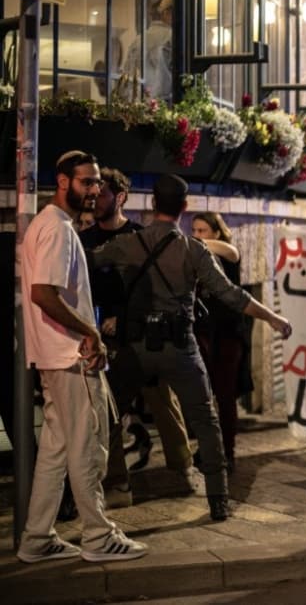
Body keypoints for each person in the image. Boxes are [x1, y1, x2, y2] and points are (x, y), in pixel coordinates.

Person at [89, 174, 293, 521]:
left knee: (106, 417)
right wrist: (272, 317)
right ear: (185, 207)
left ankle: (88, 491)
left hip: (137, 347)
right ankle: (218, 499)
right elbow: (231, 295)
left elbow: (86, 261)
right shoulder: (193, 249)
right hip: (180, 347)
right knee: (205, 420)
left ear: (153, 204)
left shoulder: (130, 244)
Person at [17, 150, 147, 563]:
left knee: (55, 451)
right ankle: (98, 536)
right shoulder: (58, 230)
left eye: (96, 183)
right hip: (71, 357)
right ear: (62, 182)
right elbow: (43, 293)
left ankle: (37, 537)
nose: (94, 190)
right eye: (85, 182)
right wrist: (89, 331)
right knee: (89, 448)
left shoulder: (49, 225)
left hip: (54, 357)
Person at [79, 167, 193, 505]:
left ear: (121, 197)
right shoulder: (84, 240)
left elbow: (153, 290)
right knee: (108, 409)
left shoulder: (142, 238)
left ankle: (182, 467)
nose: (96, 199)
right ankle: (117, 481)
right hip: (100, 338)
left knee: (163, 400)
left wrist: (122, 316)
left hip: (143, 334)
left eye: (103, 193)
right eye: (94, 191)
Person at [191, 211, 251, 472]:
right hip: (204, 332)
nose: (197, 235)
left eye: (202, 230)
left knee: (225, 395)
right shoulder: (194, 258)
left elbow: (230, 252)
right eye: (194, 230)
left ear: (216, 232)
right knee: (203, 396)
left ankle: (227, 451)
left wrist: (192, 244)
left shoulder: (227, 255)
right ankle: (206, 448)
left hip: (227, 335)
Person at [122, 0, 173, 101]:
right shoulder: (172, 37)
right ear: (165, 13)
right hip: (164, 104)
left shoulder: (137, 40)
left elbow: (127, 75)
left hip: (138, 102)